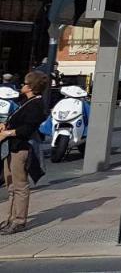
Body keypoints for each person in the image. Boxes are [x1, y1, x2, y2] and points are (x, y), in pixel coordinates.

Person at [0, 70, 49, 234]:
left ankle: (19, 221)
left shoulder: (36, 104)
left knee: (19, 185)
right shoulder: (27, 102)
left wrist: (7, 133)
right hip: (13, 147)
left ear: (31, 86)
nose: (22, 85)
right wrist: (5, 126)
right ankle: (11, 218)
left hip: (21, 148)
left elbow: (27, 128)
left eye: (25, 83)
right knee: (11, 184)